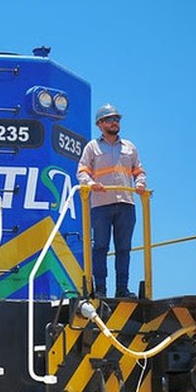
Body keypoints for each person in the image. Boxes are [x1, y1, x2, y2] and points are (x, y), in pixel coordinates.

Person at [77, 104, 147, 298]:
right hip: (101, 205)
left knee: (124, 248)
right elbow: (82, 171)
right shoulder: (92, 147)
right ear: (100, 124)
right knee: (100, 247)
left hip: (126, 204)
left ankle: (122, 289)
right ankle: (100, 289)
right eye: (110, 119)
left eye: (117, 119)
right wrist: (91, 184)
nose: (115, 122)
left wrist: (140, 184)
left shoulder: (129, 147)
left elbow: (139, 171)